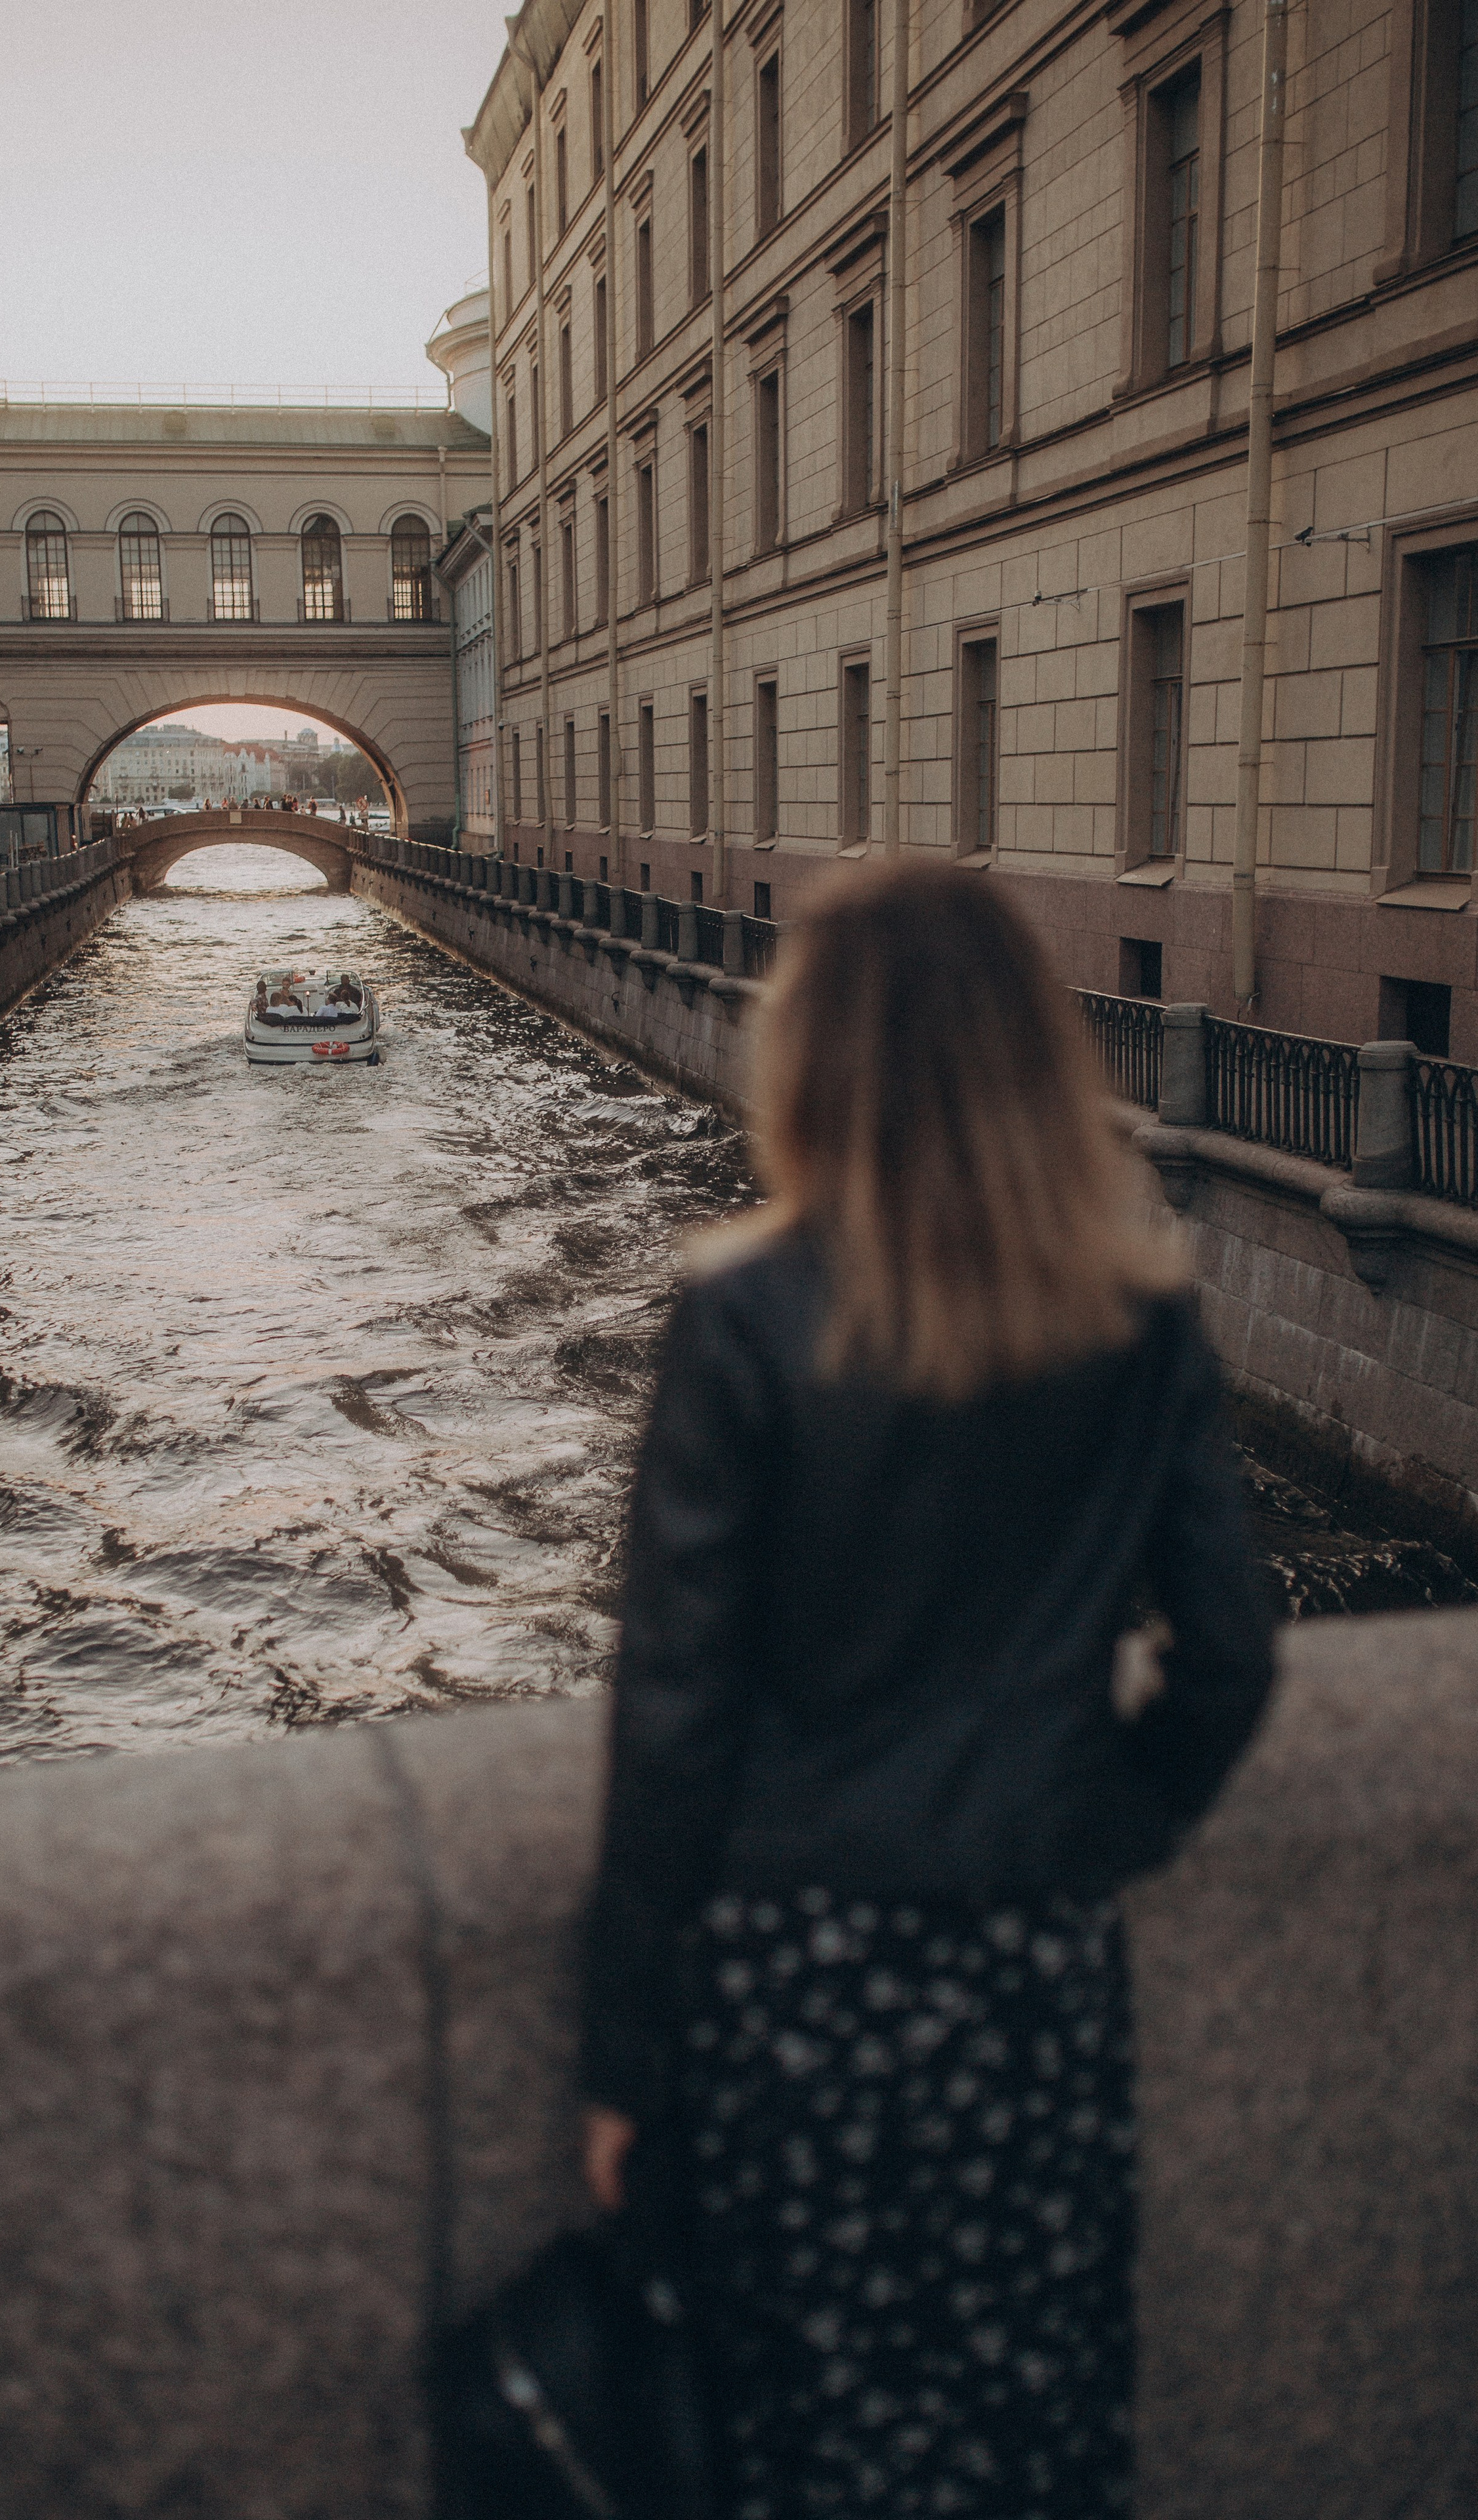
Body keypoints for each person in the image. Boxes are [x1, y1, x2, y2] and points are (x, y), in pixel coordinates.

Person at [581, 860, 1275, 2520]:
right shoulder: (1141, 1318)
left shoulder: (742, 1315)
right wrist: (1106, 1811)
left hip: (796, 1975)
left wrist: (619, 2059)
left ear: (810, 1062)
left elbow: (672, 1716)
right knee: (1026, 2401)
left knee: (805, 2422)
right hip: (1033, 1959)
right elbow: (1231, 1657)